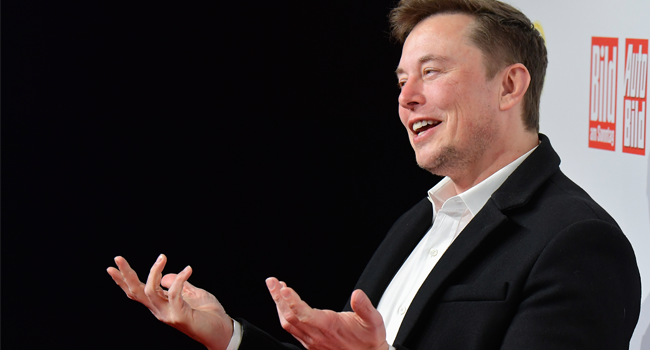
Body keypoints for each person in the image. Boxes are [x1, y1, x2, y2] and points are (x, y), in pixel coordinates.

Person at [107, 0, 642, 349]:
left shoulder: (578, 243)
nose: (407, 98)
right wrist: (225, 335)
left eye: (432, 72)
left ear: (509, 86)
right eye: (403, 79)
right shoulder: (419, 221)